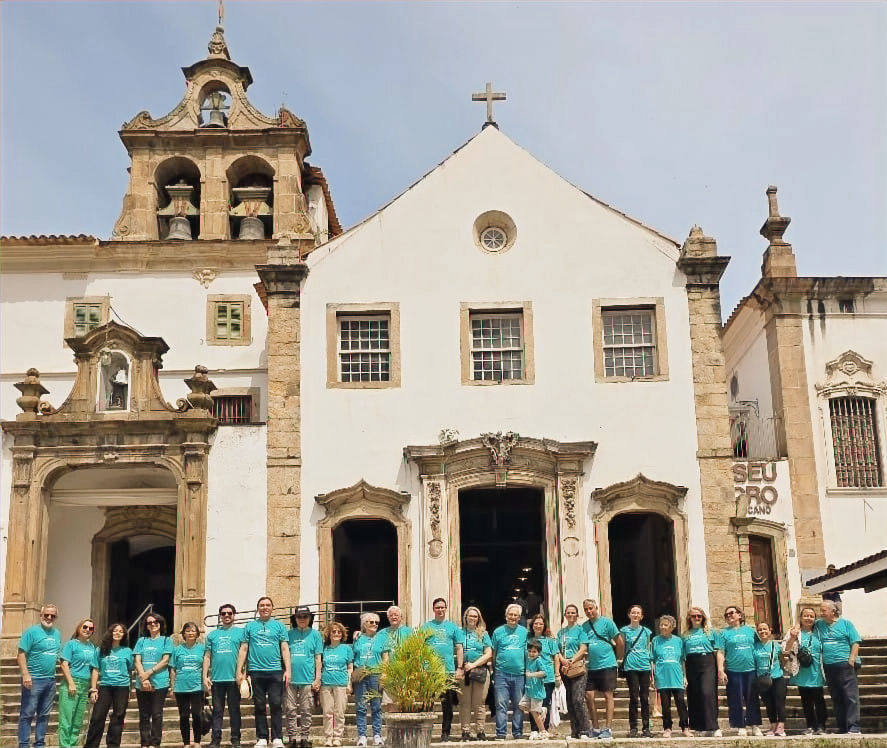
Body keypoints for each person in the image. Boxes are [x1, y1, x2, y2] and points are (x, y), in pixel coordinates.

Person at [236, 596, 292, 748]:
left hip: (275, 671)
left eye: (268, 605)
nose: (265, 607)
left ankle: (277, 738)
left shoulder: (279, 626)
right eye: (262, 605)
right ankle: (262, 737)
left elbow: (285, 648)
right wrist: (239, 672)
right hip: (255, 671)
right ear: (258, 608)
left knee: (276, 704)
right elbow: (243, 649)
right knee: (259, 705)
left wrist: (288, 670)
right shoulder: (249, 627)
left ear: (272, 608)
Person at [17, 603, 62, 748]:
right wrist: (25, 675)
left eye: (52, 615)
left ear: (56, 617)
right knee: (27, 714)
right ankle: (24, 744)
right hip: (33, 679)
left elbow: (59, 654)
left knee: (44, 715)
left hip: (50, 680)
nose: (49, 618)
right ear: (41, 615)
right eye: (46, 615)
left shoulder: (57, 633)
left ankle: (39, 744)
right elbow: (21, 654)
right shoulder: (31, 632)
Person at [815, 599, 862, 734]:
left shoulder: (846, 624)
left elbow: (855, 641)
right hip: (829, 666)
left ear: (833, 611)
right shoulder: (819, 625)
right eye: (821, 610)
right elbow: (804, 625)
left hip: (845, 664)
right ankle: (842, 726)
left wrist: (851, 659)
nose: (821, 613)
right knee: (836, 697)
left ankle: (854, 726)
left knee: (850, 696)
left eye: (824, 610)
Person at [84, 623, 134, 748]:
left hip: (122, 687)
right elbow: (95, 669)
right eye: (115, 631)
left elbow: (129, 671)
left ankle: (113, 745)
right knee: (97, 717)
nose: (118, 633)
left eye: (121, 631)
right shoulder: (100, 649)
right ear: (110, 632)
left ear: (124, 635)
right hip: (105, 686)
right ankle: (91, 745)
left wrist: (129, 689)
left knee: (118, 717)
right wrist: (93, 689)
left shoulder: (127, 651)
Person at [421, 598, 464, 741]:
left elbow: (459, 648)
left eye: (442, 607)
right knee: (427, 704)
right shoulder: (426, 627)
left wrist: (459, 667)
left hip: (448, 671)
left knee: (447, 706)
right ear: (433, 609)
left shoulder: (453, 627)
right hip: (430, 671)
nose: (440, 610)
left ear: (446, 609)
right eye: (437, 607)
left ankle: (446, 733)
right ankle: (425, 732)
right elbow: (420, 648)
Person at [203, 604, 244, 748]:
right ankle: (215, 739)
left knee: (235, 710)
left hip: (234, 679)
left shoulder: (241, 633)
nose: (227, 616)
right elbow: (207, 656)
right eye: (223, 613)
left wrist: (244, 674)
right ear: (220, 616)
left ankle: (235, 739)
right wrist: (205, 676)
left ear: (234, 615)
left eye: (229, 613)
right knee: (217, 711)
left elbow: (244, 654)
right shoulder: (212, 635)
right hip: (217, 679)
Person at [784, 606, 827, 735]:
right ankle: (810, 725)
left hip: (817, 670)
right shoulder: (794, 632)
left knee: (819, 699)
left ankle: (821, 726)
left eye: (811, 616)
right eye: (805, 616)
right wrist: (792, 637)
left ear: (815, 618)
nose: (808, 618)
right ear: (800, 618)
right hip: (802, 670)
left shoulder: (819, 631)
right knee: (806, 700)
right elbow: (785, 649)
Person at [717, 605, 760, 736]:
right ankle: (740, 725)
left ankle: (754, 725)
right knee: (735, 699)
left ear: (740, 615)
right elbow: (720, 652)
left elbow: (759, 647)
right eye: (727, 615)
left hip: (751, 669)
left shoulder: (751, 631)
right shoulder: (724, 633)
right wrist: (720, 670)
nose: (729, 616)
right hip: (733, 670)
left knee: (752, 698)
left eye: (731, 613)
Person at [134, 612, 174, 748]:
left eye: (155, 622)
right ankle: (144, 742)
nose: (153, 625)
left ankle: (155, 743)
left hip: (160, 682)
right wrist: (143, 677)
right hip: (142, 682)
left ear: (160, 624)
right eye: (149, 623)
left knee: (157, 714)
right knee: (144, 715)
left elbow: (165, 660)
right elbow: (137, 660)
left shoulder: (166, 640)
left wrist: (149, 673)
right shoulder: (141, 641)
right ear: (146, 626)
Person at [581, 598, 619, 740]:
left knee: (608, 695)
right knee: (589, 696)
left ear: (596, 607)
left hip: (608, 664)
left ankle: (608, 728)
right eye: (586, 609)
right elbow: (583, 645)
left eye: (591, 608)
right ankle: (596, 728)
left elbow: (619, 640)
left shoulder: (607, 622)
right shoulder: (584, 626)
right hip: (592, 666)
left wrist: (619, 658)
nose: (589, 611)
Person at [286, 606, 323, 748]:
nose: (302, 619)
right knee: (290, 709)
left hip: (307, 679)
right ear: (295, 619)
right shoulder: (289, 634)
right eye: (299, 617)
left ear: (309, 618)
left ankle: (305, 737)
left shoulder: (315, 635)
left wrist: (317, 678)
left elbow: (318, 658)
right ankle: (292, 738)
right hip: (291, 679)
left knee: (306, 709)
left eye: (305, 616)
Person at [491, 603, 528, 739]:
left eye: (515, 615)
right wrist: (493, 669)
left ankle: (517, 732)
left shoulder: (524, 632)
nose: (513, 617)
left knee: (519, 705)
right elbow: (493, 652)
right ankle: (501, 733)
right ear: (506, 616)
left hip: (519, 674)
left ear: (519, 617)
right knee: (501, 705)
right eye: (510, 614)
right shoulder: (498, 631)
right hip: (501, 673)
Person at [59, 618, 98, 747]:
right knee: (66, 721)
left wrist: (93, 688)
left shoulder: (92, 647)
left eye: (90, 628)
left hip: (85, 685)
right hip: (72, 683)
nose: (87, 630)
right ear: (79, 628)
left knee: (77, 722)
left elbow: (94, 669)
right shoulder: (71, 644)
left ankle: (73, 745)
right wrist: (70, 683)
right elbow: (64, 664)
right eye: (85, 627)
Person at [682, 606, 720, 736]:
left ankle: (714, 726)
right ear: (689, 618)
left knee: (707, 692)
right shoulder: (685, 634)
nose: (697, 618)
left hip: (707, 662)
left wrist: (720, 669)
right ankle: (700, 727)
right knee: (695, 695)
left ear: (703, 617)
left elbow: (717, 651)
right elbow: (682, 656)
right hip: (691, 663)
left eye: (699, 616)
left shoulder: (710, 632)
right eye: (694, 616)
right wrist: (684, 674)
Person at [555, 603, 591, 739]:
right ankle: (574, 731)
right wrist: (563, 660)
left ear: (577, 615)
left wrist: (571, 661)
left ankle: (585, 730)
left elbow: (583, 649)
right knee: (569, 700)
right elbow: (557, 650)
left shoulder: (581, 631)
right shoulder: (561, 632)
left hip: (577, 668)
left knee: (578, 699)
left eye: (573, 613)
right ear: (565, 615)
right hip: (565, 668)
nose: (570, 615)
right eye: (568, 613)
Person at [651, 614, 690, 738]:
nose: (662, 627)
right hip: (662, 676)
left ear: (672, 627)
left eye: (665, 625)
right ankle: (667, 728)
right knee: (665, 704)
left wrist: (685, 676)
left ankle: (685, 727)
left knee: (681, 703)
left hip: (677, 676)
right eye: (661, 625)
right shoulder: (655, 640)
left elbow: (682, 660)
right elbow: (652, 660)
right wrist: (652, 677)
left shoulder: (678, 641)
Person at [619, 604, 653, 738]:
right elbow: (621, 648)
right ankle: (633, 727)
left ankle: (646, 728)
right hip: (631, 666)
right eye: (633, 612)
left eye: (638, 613)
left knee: (645, 698)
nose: (636, 615)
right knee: (633, 697)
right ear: (629, 615)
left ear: (642, 616)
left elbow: (648, 648)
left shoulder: (647, 631)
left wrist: (651, 670)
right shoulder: (624, 630)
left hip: (644, 666)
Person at [171, 622, 207, 748]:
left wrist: (207, 680)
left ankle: (197, 742)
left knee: (197, 715)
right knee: (184, 716)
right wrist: (172, 686)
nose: (190, 633)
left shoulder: (203, 648)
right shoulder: (177, 650)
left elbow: (207, 666)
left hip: (197, 686)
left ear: (197, 633)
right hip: (181, 687)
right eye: (187, 631)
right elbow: (173, 669)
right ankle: (186, 742)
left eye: (193, 631)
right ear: (183, 634)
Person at [460, 606, 493, 741]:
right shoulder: (459, 632)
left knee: (479, 703)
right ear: (465, 617)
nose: (472, 618)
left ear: (478, 619)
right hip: (463, 672)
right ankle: (465, 731)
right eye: (470, 616)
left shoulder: (483, 634)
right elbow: (456, 650)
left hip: (480, 671)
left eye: (475, 616)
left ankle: (480, 731)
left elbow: (489, 654)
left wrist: (473, 665)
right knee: (465, 703)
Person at [319, 622, 353, 747]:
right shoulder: (324, 648)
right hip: (326, 683)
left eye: (339, 632)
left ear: (342, 634)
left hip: (341, 683)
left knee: (339, 711)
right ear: (329, 633)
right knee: (327, 711)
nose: (336, 634)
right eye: (334, 631)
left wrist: (349, 683)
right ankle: (328, 737)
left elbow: (350, 667)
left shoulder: (346, 649)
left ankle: (337, 737)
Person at [351, 612, 383, 747]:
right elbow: (352, 657)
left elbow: (385, 657)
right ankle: (362, 736)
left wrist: (385, 674)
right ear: (364, 624)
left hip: (376, 674)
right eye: (371, 622)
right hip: (361, 674)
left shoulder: (381, 638)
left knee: (376, 706)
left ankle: (377, 735)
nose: (374, 624)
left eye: (376, 622)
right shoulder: (357, 638)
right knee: (361, 707)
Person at [752, 621, 786, 736]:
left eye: (765, 629)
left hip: (777, 678)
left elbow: (782, 659)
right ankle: (773, 725)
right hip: (762, 680)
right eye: (760, 630)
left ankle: (781, 726)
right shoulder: (755, 647)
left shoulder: (776, 645)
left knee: (779, 702)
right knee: (769, 704)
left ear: (770, 630)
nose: (762, 631)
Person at [527, 614, 559, 732]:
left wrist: (557, 675)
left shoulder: (550, 641)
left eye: (541, 624)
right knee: (532, 705)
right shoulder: (528, 640)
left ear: (544, 626)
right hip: (532, 679)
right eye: (536, 623)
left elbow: (556, 657)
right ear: (532, 625)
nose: (538, 626)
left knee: (545, 705)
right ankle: (534, 730)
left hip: (547, 678)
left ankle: (544, 729)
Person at [523, 639, 551, 740]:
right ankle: (542, 710)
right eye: (530, 651)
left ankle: (543, 731)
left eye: (534, 651)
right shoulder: (529, 660)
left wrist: (531, 675)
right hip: (530, 690)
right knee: (522, 705)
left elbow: (544, 673)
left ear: (539, 653)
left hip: (537, 692)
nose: (531, 653)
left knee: (534, 712)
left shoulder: (538, 661)